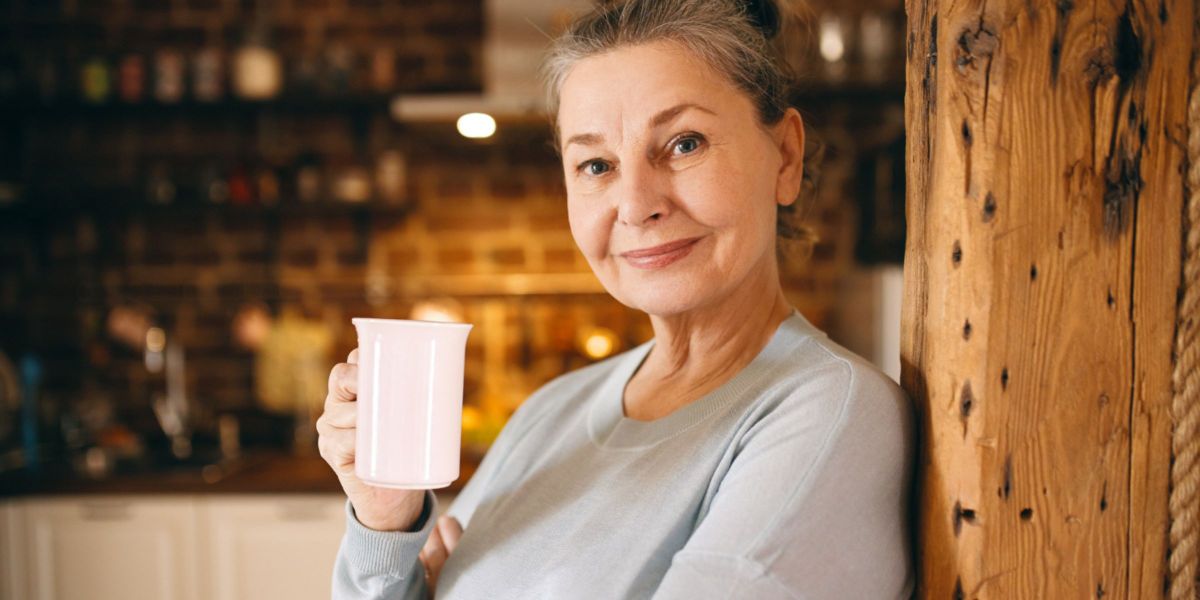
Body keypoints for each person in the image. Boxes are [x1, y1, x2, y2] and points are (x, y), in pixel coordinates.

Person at [317, 0, 915, 597]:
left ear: (785, 155)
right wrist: (386, 522)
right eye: (597, 164)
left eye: (684, 144)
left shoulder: (831, 413)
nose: (636, 205)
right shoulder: (551, 412)